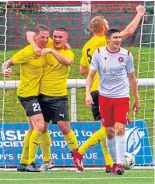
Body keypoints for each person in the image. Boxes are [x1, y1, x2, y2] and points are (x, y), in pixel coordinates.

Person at [73, 5, 145, 172]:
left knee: (109, 129)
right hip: (103, 91)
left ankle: (111, 163)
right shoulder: (103, 44)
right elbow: (130, 29)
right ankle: (81, 151)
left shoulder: (87, 45)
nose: (118, 39)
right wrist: (139, 14)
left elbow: (83, 70)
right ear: (105, 30)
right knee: (107, 129)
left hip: (101, 92)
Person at [85, 28, 140, 175]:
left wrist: (137, 98)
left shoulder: (127, 55)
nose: (118, 40)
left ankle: (120, 164)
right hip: (104, 97)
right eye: (115, 37)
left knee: (120, 128)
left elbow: (132, 77)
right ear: (108, 39)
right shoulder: (98, 53)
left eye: (120, 38)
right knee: (109, 132)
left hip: (122, 96)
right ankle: (115, 162)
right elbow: (90, 75)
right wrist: (88, 94)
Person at [25, 27, 79, 172]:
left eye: (60, 37)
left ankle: (77, 155)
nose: (56, 39)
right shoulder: (48, 43)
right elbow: (30, 33)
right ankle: (47, 160)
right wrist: (35, 46)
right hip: (42, 95)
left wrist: (51, 51)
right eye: (55, 36)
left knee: (64, 126)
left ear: (66, 39)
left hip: (59, 97)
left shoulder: (68, 52)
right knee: (42, 128)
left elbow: (67, 62)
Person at [2, 24, 51, 172]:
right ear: (36, 37)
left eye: (46, 37)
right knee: (40, 127)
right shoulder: (27, 51)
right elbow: (7, 62)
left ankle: (23, 162)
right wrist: (5, 70)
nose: (44, 40)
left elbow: (30, 32)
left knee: (32, 129)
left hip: (37, 95)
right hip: (27, 95)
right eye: (41, 37)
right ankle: (30, 163)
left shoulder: (46, 45)